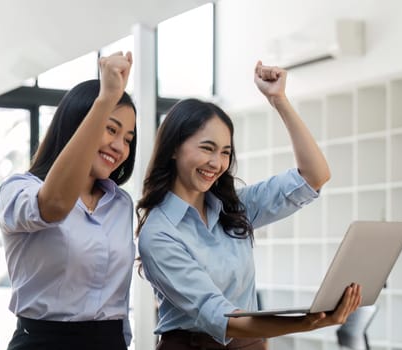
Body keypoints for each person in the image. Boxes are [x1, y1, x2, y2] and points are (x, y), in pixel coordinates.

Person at [136, 61, 362, 349]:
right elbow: (223, 318)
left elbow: (315, 176)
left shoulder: (235, 208)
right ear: (174, 149)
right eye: (207, 148)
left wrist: (278, 100)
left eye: (225, 152)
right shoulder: (158, 233)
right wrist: (307, 322)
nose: (216, 163)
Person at [0, 51, 136, 350]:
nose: (119, 146)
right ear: (79, 124)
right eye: (111, 129)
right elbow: (54, 205)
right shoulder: (19, 189)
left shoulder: (121, 204)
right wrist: (105, 99)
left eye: (127, 138)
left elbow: (118, 299)